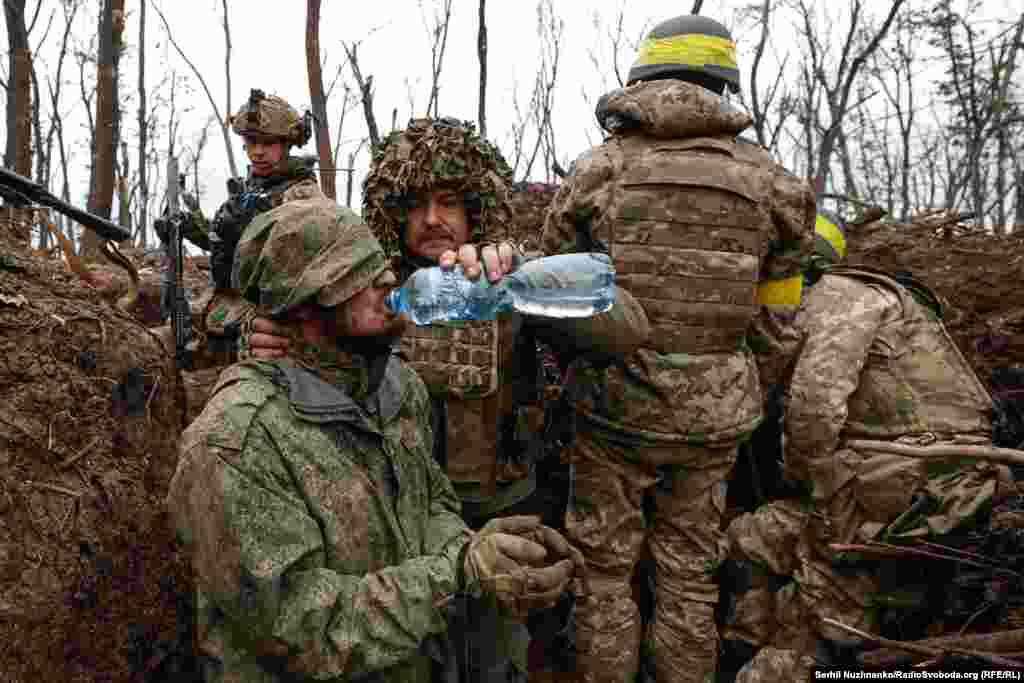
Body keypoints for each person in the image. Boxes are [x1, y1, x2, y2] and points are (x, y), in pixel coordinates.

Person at [244, 116, 650, 677]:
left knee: (493, 662)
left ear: (477, 206)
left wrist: (523, 278)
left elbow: (628, 329)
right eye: (414, 205)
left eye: (449, 202)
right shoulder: (362, 294)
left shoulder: (509, 279)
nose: (432, 220)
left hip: (497, 518)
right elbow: (287, 355)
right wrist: (264, 335)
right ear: (391, 212)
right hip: (394, 531)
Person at [166, 197, 585, 683]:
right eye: (355, 275)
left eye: (379, 266)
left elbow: (432, 506)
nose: (386, 281)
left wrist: (488, 552)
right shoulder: (235, 443)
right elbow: (303, 629)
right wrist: (459, 575)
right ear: (300, 306)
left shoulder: (395, 387)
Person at [538, 14, 817, 683]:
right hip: (715, 423)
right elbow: (779, 325)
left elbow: (559, 290)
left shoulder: (600, 168)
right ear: (722, 79)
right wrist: (742, 382)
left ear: (644, 72)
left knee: (604, 574)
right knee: (691, 574)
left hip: (612, 413)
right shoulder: (775, 184)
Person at [721, 211, 1013, 681]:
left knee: (815, 625)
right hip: (887, 472)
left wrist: (805, 475)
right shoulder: (835, 300)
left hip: (905, 480)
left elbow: (814, 409)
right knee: (746, 542)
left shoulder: (845, 298)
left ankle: (783, 656)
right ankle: (745, 640)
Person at [153, 88, 324, 369]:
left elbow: (305, 266)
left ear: (286, 144)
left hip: (272, 318)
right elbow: (224, 241)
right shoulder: (252, 188)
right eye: (251, 141)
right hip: (225, 304)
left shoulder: (302, 195)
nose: (257, 151)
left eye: (267, 143)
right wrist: (189, 228)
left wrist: (262, 230)